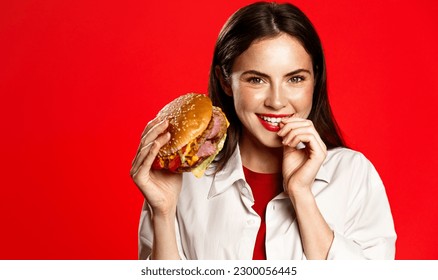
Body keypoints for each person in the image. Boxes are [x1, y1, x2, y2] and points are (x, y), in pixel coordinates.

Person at [131, 2, 397, 260]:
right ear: (225, 81)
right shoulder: (184, 179)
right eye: (256, 79)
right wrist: (163, 214)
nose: (277, 101)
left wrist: (301, 195)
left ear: (315, 79)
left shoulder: (352, 174)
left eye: (295, 79)